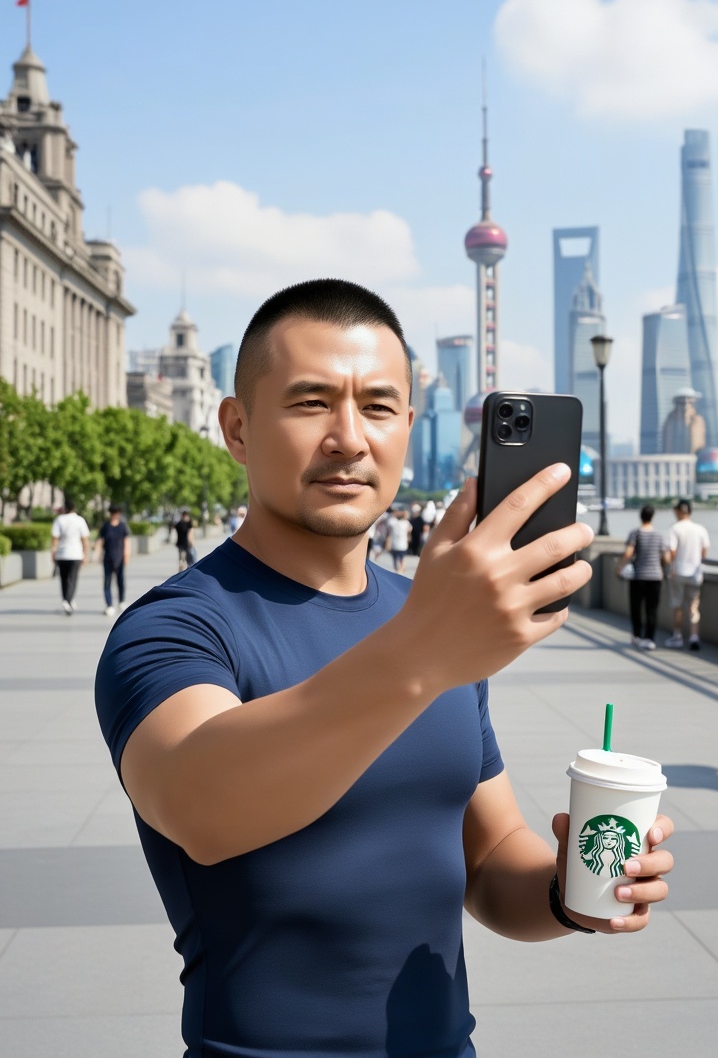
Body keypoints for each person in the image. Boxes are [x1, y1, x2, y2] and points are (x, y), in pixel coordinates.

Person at [95, 279, 674, 1058]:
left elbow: (490, 858)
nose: (348, 437)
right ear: (236, 427)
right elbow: (202, 805)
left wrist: (574, 889)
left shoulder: (433, 623)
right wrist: (428, 648)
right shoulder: (177, 629)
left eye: (376, 406)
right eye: (309, 403)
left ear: (407, 426)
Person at [615, 504, 669, 650]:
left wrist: (620, 567)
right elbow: (666, 557)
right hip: (655, 577)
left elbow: (628, 553)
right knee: (652, 609)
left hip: (638, 576)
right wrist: (662, 568)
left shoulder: (636, 533)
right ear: (653, 517)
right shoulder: (660, 535)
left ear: (641, 516)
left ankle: (637, 635)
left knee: (636, 607)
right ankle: (650, 639)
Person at [665, 498, 710, 651]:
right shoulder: (700, 529)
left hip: (678, 572)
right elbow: (705, 552)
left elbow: (672, 551)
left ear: (678, 511)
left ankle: (677, 636)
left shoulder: (674, 528)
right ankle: (694, 636)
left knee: (677, 605)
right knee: (693, 606)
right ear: (690, 512)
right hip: (696, 573)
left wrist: (670, 567)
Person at [51, 498, 90, 615]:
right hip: (75, 554)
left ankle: (66, 600)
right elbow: (85, 540)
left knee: (63, 578)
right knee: (73, 578)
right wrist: (85, 554)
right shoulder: (80, 520)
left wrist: (53, 552)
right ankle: (68, 600)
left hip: (61, 554)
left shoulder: (59, 520)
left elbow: (54, 539)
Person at [96, 504, 132, 617]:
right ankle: (109, 605)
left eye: (117, 512)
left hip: (120, 557)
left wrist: (127, 554)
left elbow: (127, 541)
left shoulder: (122, 526)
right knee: (107, 582)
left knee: (120, 580)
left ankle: (121, 600)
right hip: (108, 557)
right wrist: (97, 554)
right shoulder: (105, 526)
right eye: (113, 513)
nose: (115, 515)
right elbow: (100, 540)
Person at [387, 506, 411, 573]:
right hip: (396, 543)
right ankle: (399, 569)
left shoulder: (405, 523)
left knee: (401, 557)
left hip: (400, 544)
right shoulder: (394, 522)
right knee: (397, 558)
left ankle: (401, 569)